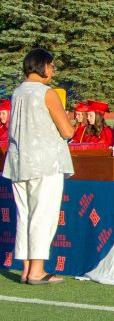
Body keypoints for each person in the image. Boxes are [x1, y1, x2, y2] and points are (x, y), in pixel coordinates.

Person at [3, 49, 75, 284]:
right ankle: (37, 270)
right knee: (43, 214)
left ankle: (25, 268)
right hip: (45, 162)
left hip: (19, 161)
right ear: (43, 66)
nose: (52, 70)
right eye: (51, 66)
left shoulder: (18, 92)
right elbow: (67, 130)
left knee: (24, 214)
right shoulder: (47, 93)